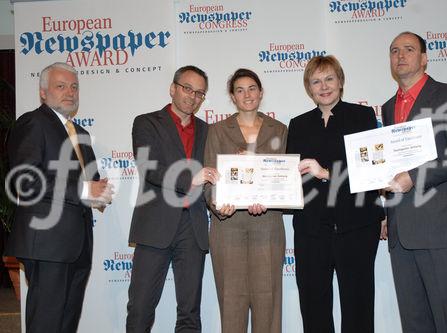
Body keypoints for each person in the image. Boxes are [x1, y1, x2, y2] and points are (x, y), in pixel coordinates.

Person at [5, 62, 113, 333]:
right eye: (61, 86)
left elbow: (87, 184)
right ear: (43, 92)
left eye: (74, 87)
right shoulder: (33, 123)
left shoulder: (81, 133)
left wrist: (98, 194)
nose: (70, 92)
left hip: (78, 243)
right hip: (47, 242)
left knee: (67, 321)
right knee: (46, 322)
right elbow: (26, 180)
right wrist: (85, 190)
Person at [382, 31, 447, 333]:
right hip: (401, 232)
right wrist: (386, 212)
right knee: (415, 323)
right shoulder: (387, 107)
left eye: (409, 49)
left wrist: (414, 177)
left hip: (440, 227)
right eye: (394, 50)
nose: (401, 55)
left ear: (424, 58)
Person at [286, 55, 385, 333]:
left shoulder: (362, 116)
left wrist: (326, 173)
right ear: (309, 87)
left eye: (329, 78)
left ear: (340, 82)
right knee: (313, 308)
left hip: (356, 226)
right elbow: (291, 178)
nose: (324, 86)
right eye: (316, 81)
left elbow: (372, 171)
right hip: (310, 230)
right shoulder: (298, 124)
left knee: (358, 306)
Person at [126, 65, 217, 333]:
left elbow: (215, 173)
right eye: (187, 88)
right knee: (141, 306)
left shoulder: (207, 130)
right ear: (173, 88)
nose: (193, 96)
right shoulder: (146, 122)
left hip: (193, 226)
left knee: (189, 311)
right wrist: (191, 179)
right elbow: (149, 168)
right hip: (155, 225)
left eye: (200, 93)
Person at [204, 68, 287, 333]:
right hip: (227, 225)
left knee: (268, 301)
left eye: (252, 88)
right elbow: (209, 177)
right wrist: (218, 205)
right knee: (231, 302)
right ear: (232, 96)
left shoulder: (280, 130)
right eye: (240, 90)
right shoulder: (217, 131)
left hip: (267, 222)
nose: (247, 94)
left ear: (261, 93)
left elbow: (285, 180)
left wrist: (272, 197)